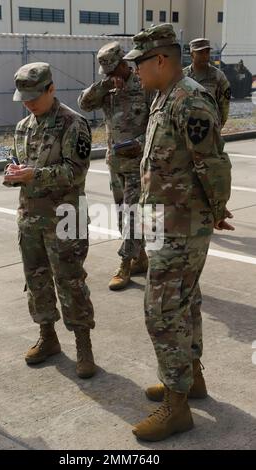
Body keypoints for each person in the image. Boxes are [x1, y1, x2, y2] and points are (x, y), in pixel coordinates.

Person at [124, 24, 234, 441]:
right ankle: (192, 379)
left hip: (183, 224)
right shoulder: (165, 97)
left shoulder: (189, 100)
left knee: (162, 312)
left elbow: (214, 162)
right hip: (168, 221)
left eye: (139, 64)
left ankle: (177, 405)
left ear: (161, 60)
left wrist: (217, 209)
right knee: (185, 303)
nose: (136, 71)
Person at [3, 62, 96, 378]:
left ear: (51, 89)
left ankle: (83, 346)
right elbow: (19, 165)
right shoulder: (23, 127)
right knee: (36, 281)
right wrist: (15, 175)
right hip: (30, 218)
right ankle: (48, 336)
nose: (29, 103)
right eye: (24, 97)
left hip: (66, 218)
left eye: (34, 96)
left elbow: (76, 172)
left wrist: (34, 175)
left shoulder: (74, 124)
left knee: (71, 282)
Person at [78, 41, 152, 291]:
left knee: (132, 213)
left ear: (124, 64)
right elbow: (84, 104)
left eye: (113, 71)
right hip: (115, 162)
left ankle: (125, 263)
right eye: (106, 73)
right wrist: (104, 85)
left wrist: (141, 143)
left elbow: (157, 123)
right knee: (123, 213)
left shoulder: (144, 86)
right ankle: (140, 257)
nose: (111, 76)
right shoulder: (107, 88)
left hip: (138, 163)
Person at [184, 38, 231, 128]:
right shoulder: (183, 76)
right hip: (186, 129)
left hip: (210, 129)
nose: (205, 56)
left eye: (207, 52)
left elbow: (224, 107)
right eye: (200, 52)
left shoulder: (218, 77)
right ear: (192, 55)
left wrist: (217, 128)